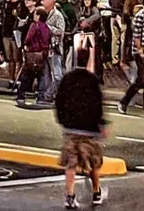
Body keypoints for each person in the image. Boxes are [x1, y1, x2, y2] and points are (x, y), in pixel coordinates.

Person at [54, 64, 107, 209]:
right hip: (89, 130)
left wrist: (63, 119)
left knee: (70, 164)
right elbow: (98, 105)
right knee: (93, 163)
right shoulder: (92, 80)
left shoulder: (68, 79)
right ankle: (96, 192)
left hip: (71, 128)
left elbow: (59, 100)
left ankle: (70, 196)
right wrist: (100, 125)